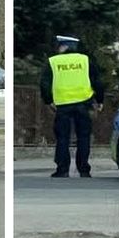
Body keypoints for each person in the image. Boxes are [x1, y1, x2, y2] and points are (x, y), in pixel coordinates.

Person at [40, 35, 105, 178]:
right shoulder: (85, 60)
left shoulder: (53, 61)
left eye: (60, 46)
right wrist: (100, 101)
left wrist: (48, 101)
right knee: (84, 137)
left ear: (64, 47)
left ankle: (62, 170)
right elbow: (97, 81)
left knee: (62, 138)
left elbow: (44, 84)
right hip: (83, 104)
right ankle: (84, 169)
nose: (58, 48)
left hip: (62, 106)